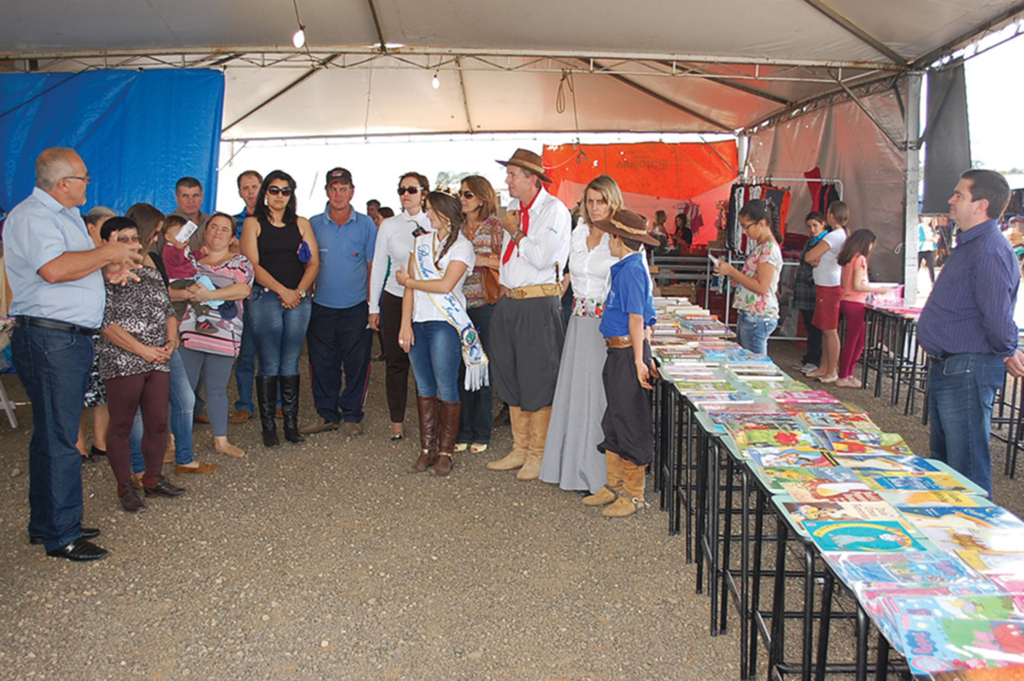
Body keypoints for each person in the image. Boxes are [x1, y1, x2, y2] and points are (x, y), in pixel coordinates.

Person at [5, 147, 138, 560]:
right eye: (83, 178)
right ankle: (62, 534)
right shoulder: (33, 217)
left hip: (65, 338)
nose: (88, 183)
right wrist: (110, 253)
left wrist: (107, 269)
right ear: (64, 183)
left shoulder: (63, 218)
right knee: (63, 437)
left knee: (52, 433)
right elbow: (54, 269)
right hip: (50, 339)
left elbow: (73, 266)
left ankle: (48, 521)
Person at [917, 169, 1024, 496]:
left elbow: (997, 314)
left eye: (959, 195)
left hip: (967, 368)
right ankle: (953, 534)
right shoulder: (974, 244)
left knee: (966, 468)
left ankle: (973, 538)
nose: (951, 200)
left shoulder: (988, 250)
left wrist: (1008, 348)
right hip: (954, 366)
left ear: (981, 205)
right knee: (948, 467)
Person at [486, 149, 572, 480]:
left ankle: (539, 453)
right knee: (509, 373)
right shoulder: (514, 210)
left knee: (538, 376)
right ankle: (520, 449)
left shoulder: (554, 212)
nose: (507, 180)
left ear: (531, 179)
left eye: (512, 175)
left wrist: (515, 231)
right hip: (512, 299)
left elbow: (541, 257)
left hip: (538, 302)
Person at [96, 216, 187, 513]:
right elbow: (105, 324)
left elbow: (167, 311)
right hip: (123, 361)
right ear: (107, 243)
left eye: (135, 237)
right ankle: (125, 486)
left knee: (158, 422)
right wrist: (143, 351)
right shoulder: (98, 280)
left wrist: (171, 342)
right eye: (124, 238)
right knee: (122, 424)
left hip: (158, 359)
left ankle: (152, 477)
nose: (133, 244)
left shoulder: (149, 274)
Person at [540, 175, 621, 493]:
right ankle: (572, 467)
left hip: (608, 326)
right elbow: (569, 276)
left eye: (601, 201)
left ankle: (601, 473)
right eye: (590, 200)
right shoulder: (579, 232)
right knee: (576, 395)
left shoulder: (620, 236)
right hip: (577, 320)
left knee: (599, 397)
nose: (595, 207)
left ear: (612, 202)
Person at [125, 203, 217, 475]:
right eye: (154, 233)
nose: (156, 238)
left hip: (164, 341)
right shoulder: (119, 261)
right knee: (138, 410)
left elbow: (164, 302)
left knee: (184, 399)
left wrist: (172, 335)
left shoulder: (152, 257)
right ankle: (140, 470)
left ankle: (184, 458)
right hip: (136, 346)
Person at [397, 191, 484, 476]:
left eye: (431, 210)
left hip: (445, 323)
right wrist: (404, 323)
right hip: (419, 321)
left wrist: (409, 280)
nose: (428, 215)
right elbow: (408, 289)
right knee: (423, 387)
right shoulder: (420, 242)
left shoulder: (463, 247)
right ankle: (427, 449)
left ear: (445, 213)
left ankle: (446, 451)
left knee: (446, 386)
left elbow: (446, 285)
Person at [580, 209, 659, 517]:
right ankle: (614, 484)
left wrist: (640, 360)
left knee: (630, 420)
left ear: (618, 239)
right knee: (614, 418)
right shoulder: (627, 266)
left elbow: (637, 318)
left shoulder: (632, 270)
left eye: (610, 236)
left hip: (628, 353)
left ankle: (634, 493)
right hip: (620, 352)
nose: (607, 243)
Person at [240, 171, 320, 447]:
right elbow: (252, 265)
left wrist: (297, 292)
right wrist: (283, 291)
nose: (279, 196)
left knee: (290, 360)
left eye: (285, 191)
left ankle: (290, 424)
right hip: (265, 298)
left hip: (298, 299)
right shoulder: (252, 224)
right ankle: (268, 428)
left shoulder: (301, 224)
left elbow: (313, 264)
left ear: (292, 195)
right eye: (274, 190)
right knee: (270, 361)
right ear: (265, 193)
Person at [303, 168, 377, 436]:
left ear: (352, 192)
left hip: (356, 307)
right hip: (321, 306)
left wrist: (372, 305)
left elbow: (372, 265)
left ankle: (352, 416)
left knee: (357, 364)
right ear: (326, 192)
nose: (338, 194)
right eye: (333, 189)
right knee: (322, 363)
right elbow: (305, 263)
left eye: (343, 189)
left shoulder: (366, 224)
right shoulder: (312, 224)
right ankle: (327, 415)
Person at [178, 213, 255, 457]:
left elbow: (243, 289)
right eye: (213, 227)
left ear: (233, 237)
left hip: (224, 334)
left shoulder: (241, 263)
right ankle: (174, 441)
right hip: (189, 332)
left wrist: (207, 296)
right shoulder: (189, 260)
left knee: (217, 389)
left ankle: (221, 441)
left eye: (224, 229)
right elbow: (172, 287)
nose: (218, 233)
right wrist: (190, 293)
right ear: (204, 231)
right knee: (183, 390)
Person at [368, 172, 432, 441]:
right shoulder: (389, 225)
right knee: (395, 362)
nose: (406, 194)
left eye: (412, 189)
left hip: (427, 298)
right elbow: (379, 265)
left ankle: (430, 421)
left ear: (424, 193)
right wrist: (373, 306)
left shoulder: (436, 220)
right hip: (394, 296)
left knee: (426, 362)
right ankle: (397, 421)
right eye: (401, 190)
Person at [454, 175, 502, 454]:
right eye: (461, 193)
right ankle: (462, 430)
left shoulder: (496, 228)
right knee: (460, 370)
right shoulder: (456, 227)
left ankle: (482, 432)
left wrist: (477, 259)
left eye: (468, 194)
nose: (462, 198)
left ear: (483, 198)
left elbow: (508, 262)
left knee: (481, 369)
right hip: (457, 307)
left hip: (485, 307)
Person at [714, 199, 782, 355]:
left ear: (761, 223)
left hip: (757, 316)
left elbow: (762, 286)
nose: (744, 232)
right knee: (749, 363)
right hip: (753, 314)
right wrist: (739, 280)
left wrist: (733, 272)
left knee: (755, 367)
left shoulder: (768, 249)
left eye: (746, 226)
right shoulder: (763, 246)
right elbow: (757, 280)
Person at [76, 206, 116, 463]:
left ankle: (101, 441)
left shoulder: (111, 253)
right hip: (80, 329)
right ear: (91, 227)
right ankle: (77, 444)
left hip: (107, 330)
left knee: (103, 387)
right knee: (78, 389)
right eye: (106, 227)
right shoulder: (78, 253)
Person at [836, 229, 891, 388]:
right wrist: (878, 290)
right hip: (855, 303)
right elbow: (857, 285)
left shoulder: (849, 258)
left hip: (848, 301)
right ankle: (844, 375)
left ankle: (848, 374)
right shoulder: (860, 259)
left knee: (857, 340)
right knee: (854, 341)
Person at [231, 170, 264, 423]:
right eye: (246, 187)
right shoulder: (232, 223)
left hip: (268, 293)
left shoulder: (276, 219)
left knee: (270, 352)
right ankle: (245, 403)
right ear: (240, 192)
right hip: (242, 295)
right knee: (244, 353)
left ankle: (273, 402)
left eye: (255, 186)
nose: (251, 191)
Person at [805, 201, 850, 383]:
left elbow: (810, 255)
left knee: (830, 329)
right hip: (826, 283)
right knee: (824, 327)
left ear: (831, 216)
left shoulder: (833, 236)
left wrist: (814, 259)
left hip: (829, 285)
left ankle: (831, 370)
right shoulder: (842, 235)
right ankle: (824, 366)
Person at [792, 211, 827, 374]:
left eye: (815, 225)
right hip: (804, 289)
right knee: (809, 324)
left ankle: (814, 359)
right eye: (809, 226)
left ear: (823, 224)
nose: (812, 229)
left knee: (815, 327)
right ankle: (810, 357)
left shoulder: (824, 242)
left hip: (814, 290)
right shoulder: (810, 241)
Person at [169, 176, 211, 250]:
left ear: (202, 197)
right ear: (177, 198)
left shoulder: (212, 222)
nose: (191, 201)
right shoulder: (165, 223)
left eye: (195, 196)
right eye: (185, 196)